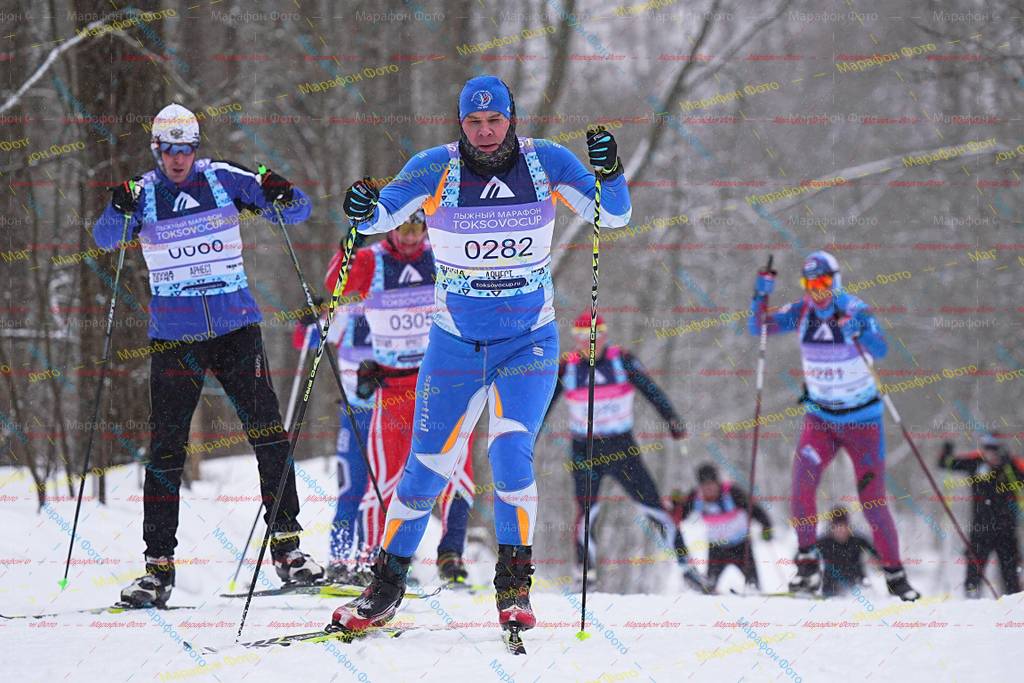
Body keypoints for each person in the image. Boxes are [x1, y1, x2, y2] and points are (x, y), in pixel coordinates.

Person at [331, 75, 631, 633]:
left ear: (511, 119)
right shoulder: (434, 167)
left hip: (528, 342)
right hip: (455, 346)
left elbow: (612, 216)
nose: (486, 132)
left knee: (510, 452)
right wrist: (362, 208)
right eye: (474, 122)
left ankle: (514, 585)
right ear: (461, 123)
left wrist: (610, 173)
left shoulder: (547, 162)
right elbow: (380, 217)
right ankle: (386, 586)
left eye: (495, 121)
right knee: (425, 468)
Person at [92, 103, 322, 607]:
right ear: (157, 150)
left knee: (269, 433)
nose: (178, 159)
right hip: (176, 338)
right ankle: (158, 568)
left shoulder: (223, 178)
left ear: (196, 148)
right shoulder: (143, 193)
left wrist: (283, 191)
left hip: (236, 329)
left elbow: (298, 212)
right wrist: (117, 208)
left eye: (186, 149)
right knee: (166, 449)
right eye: (169, 150)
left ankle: (288, 549)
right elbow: (105, 239)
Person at [750, 250, 919, 601]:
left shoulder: (855, 310)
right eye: (810, 283)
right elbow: (758, 327)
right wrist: (760, 296)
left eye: (824, 282)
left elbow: (881, 349)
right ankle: (807, 567)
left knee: (872, 500)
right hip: (821, 421)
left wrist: (860, 331)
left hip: (862, 423)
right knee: (801, 485)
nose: (818, 290)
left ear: (836, 280)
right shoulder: (802, 311)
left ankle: (896, 576)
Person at [324, 212, 475, 587]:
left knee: (456, 469)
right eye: (403, 228)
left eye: (417, 228)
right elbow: (335, 283)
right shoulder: (372, 260)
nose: (410, 237)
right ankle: (370, 560)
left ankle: (451, 555)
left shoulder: (439, 254)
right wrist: (348, 246)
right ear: (391, 228)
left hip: (437, 383)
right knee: (384, 479)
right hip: (391, 388)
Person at [546, 312, 700, 591]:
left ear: (604, 335)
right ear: (575, 339)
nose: (589, 342)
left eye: (594, 335)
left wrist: (672, 420)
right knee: (586, 512)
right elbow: (543, 405)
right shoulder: (567, 368)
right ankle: (585, 574)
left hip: (621, 447)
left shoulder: (622, 361)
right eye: (582, 337)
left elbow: (651, 391)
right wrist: (527, 437)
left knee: (654, 507)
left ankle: (687, 568)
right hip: (585, 449)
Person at [320, 297, 375, 584]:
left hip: (389, 414)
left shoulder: (397, 303)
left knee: (379, 491)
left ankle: (371, 561)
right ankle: (339, 560)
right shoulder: (348, 310)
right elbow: (308, 339)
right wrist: (310, 316)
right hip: (354, 415)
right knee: (350, 488)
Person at [938, 434, 1024, 597]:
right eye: (986, 448)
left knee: (1010, 574)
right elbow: (946, 463)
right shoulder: (976, 462)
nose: (990, 453)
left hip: (1006, 529)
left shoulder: (1010, 465)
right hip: (980, 528)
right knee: (973, 570)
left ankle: (1014, 602)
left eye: (994, 449)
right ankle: (971, 599)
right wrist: (947, 450)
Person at [670, 463, 773, 592]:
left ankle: (754, 593)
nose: (708, 489)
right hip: (717, 549)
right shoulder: (696, 497)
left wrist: (767, 528)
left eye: (711, 485)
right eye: (704, 486)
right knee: (709, 585)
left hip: (741, 546)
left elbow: (756, 511)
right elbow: (680, 516)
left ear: (718, 483)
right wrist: (676, 503)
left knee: (752, 583)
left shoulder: (732, 493)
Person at [815, 506, 879, 598]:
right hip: (831, 588)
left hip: (858, 583)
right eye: (836, 526)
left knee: (865, 595)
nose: (840, 530)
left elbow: (878, 554)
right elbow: (806, 555)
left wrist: (877, 560)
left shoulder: (858, 541)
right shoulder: (823, 543)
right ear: (831, 527)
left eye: (843, 526)